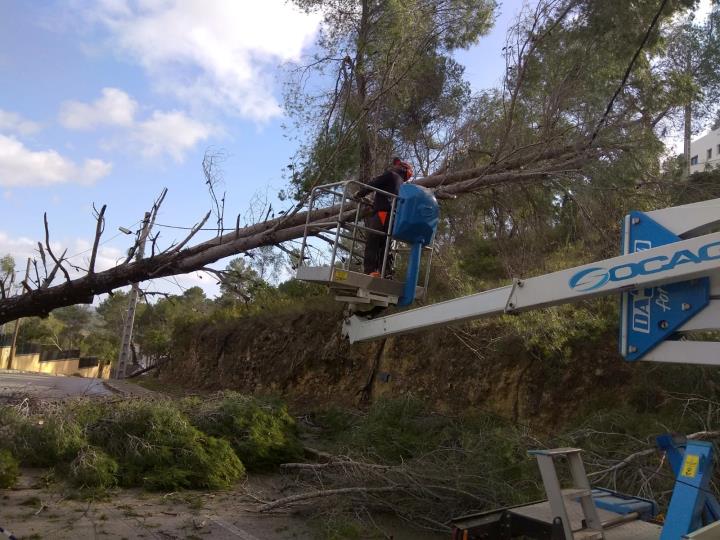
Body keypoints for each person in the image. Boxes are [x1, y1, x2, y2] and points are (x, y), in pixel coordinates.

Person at [354, 158, 413, 277]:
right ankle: (385, 272)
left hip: (383, 213)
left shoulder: (391, 175)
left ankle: (370, 271)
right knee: (385, 243)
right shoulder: (402, 185)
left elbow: (374, 184)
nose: (394, 167)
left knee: (373, 240)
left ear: (401, 168)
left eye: (397, 165)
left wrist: (359, 194)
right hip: (393, 217)